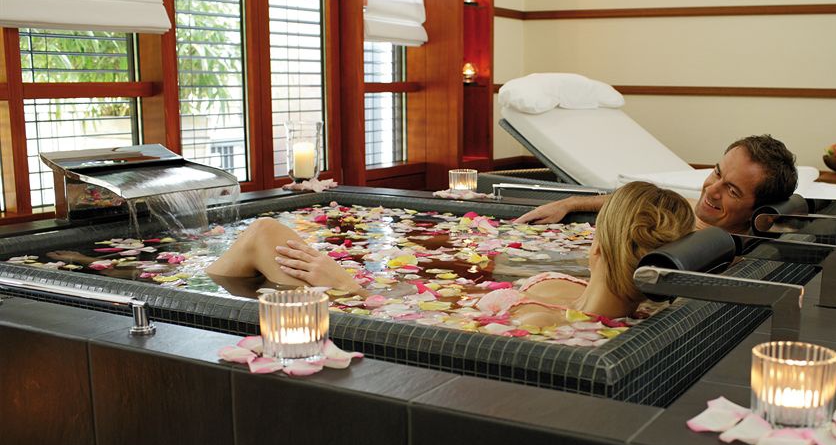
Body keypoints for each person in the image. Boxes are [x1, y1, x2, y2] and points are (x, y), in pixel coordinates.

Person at [205, 181, 695, 326]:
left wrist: (346, 288)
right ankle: (213, 290)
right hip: (389, 301)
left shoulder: (543, 323)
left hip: (359, 310)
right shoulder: (592, 296)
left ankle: (201, 302)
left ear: (597, 244)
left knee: (261, 233)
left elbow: (428, 340)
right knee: (263, 235)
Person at [513, 134, 797, 234]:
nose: (711, 189)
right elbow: (638, 199)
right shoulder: (690, 212)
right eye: (717, 173)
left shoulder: (723, 253)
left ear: (759, 214)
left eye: (732, 190)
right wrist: (569, 204)